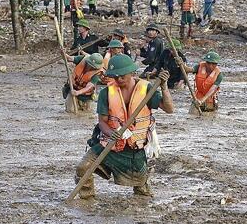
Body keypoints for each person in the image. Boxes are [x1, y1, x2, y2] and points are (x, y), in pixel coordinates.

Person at [74, 56, 174, 199]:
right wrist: (110, 133)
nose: (119, 79)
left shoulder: (147, 89)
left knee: (141, 187)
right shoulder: (106, 93)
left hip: (134, 148)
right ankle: (87, 198)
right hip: (110, 144)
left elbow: (169, 109)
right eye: (115, 76)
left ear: (132, 73)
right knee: (83, 167)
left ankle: (142, 202)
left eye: (122, 76)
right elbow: (102, 122)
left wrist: (164, 87)